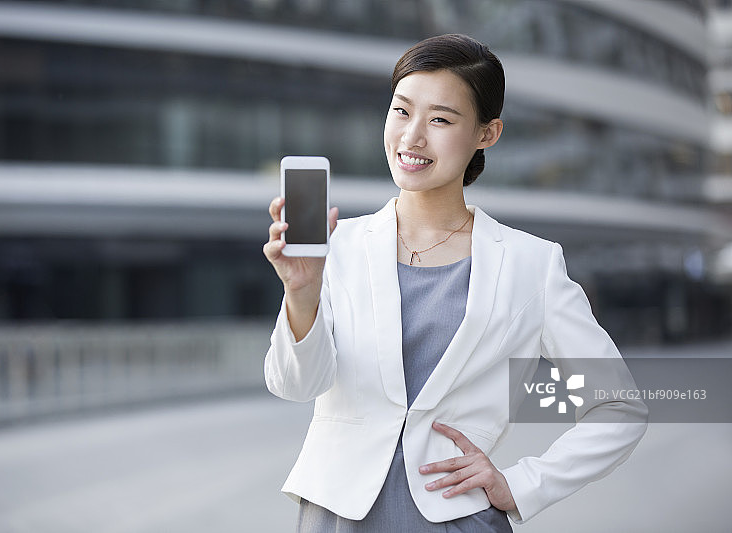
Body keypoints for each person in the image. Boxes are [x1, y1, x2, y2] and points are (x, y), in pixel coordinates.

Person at [262, 33, 647, 532]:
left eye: (440, 119)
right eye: (401, 111)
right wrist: (301, 292)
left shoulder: (532, 264)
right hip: (336, 516)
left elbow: (618, 406)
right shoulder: (336, 247)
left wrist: (524, 483)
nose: (412, 137)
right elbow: (295, 385)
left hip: (457, 517)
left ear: (487, 133)